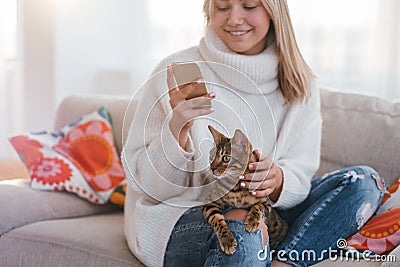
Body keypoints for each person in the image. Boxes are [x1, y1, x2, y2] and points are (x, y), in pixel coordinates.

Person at [122, 0, 385, 266]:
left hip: (268, 211)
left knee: (364, 181)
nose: (234, 19)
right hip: (184, 214)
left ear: (274, 12)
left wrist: (278, 181)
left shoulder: (299, 83)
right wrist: (177, 128)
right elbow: (148, 188)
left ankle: (285, 261)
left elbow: (301, 174)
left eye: (249, 6)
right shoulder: (177, 69)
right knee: (242, 227)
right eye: (223, 7)